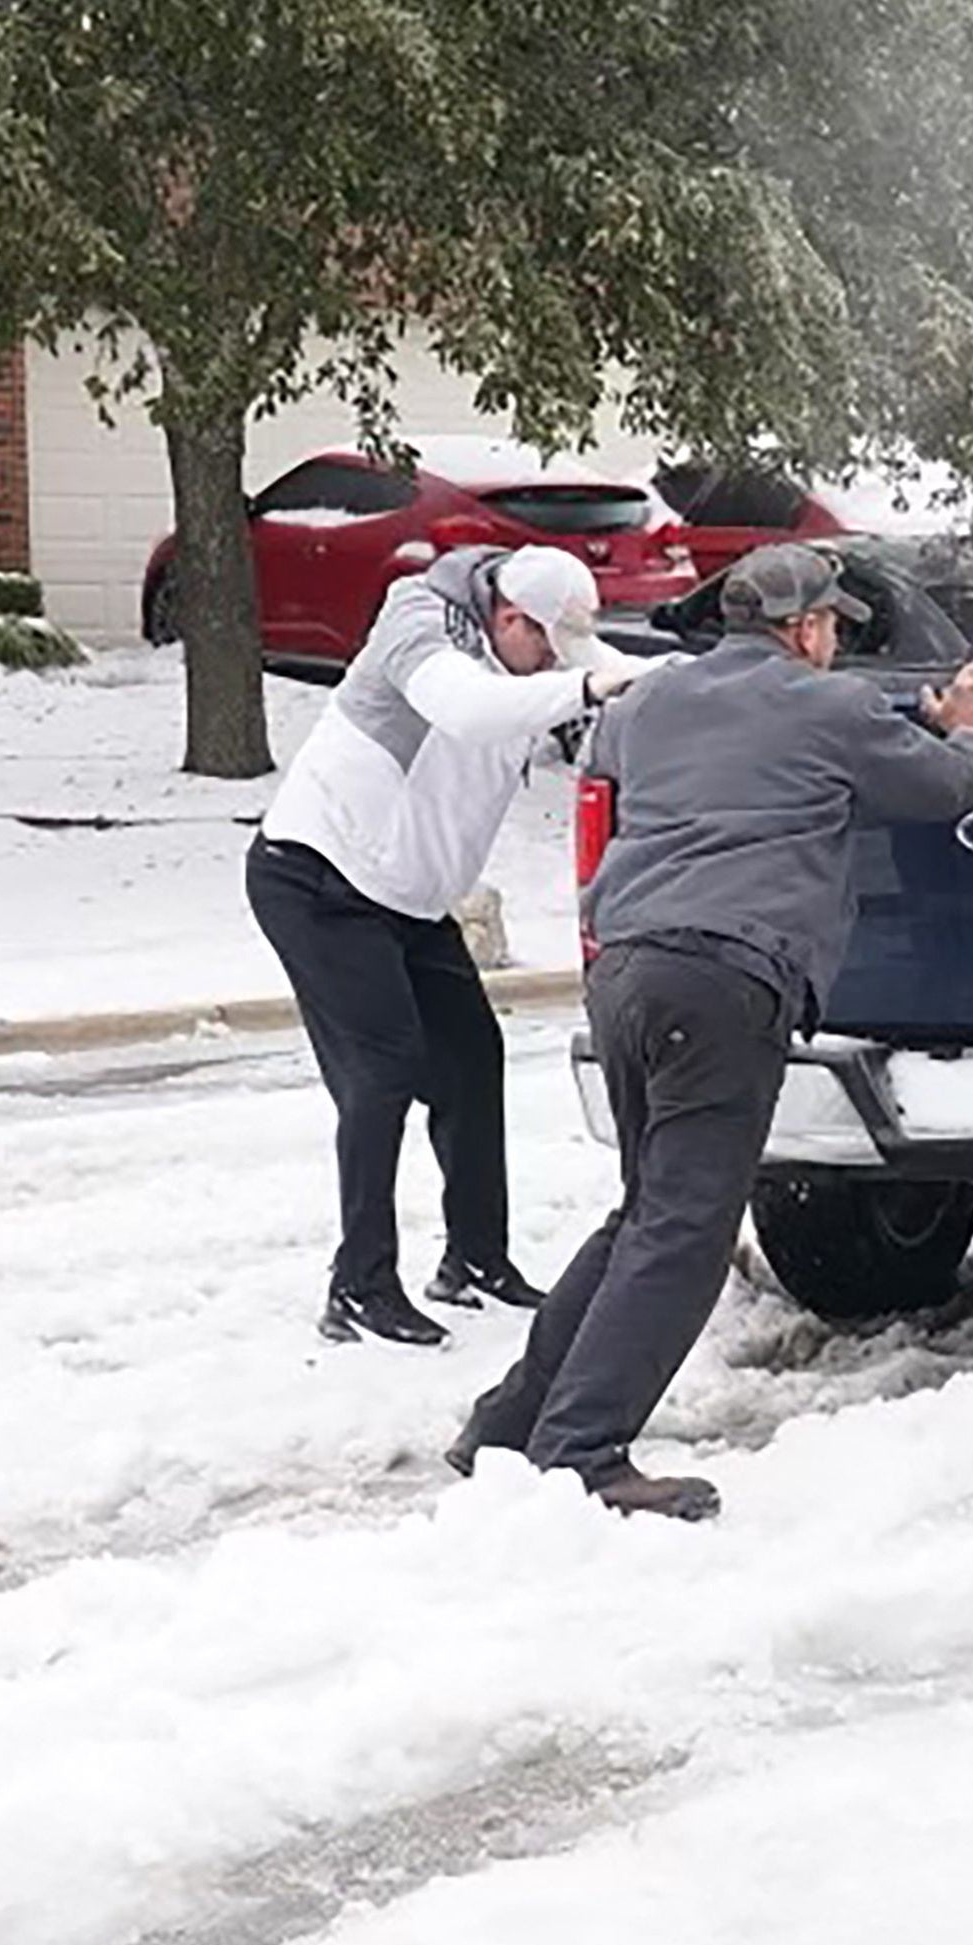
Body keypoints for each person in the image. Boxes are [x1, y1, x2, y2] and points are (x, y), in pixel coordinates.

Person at [451, 542, 973, 1518]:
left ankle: (508, 1423)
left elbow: (699, 752)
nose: (838, 640)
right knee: (685, 1229)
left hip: (627, 969)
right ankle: (582, 1455)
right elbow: (945, 793)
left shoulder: (646, 704)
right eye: (834, 625)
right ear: (803, 629)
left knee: (645, 1212)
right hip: (723, 979)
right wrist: (965, 730)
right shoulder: (830, 707)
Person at [248, 543, 659, 1347]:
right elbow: (466, 708)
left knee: (473, 1058)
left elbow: (612, 677)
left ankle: (475, 1260)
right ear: (508, 617)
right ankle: (359, 1286)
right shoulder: (418, 622)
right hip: (317, 878)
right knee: (382, 1072)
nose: (550, 664)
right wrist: (579, 685)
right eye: (543, 645)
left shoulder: (530, 653)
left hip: (406, 898)